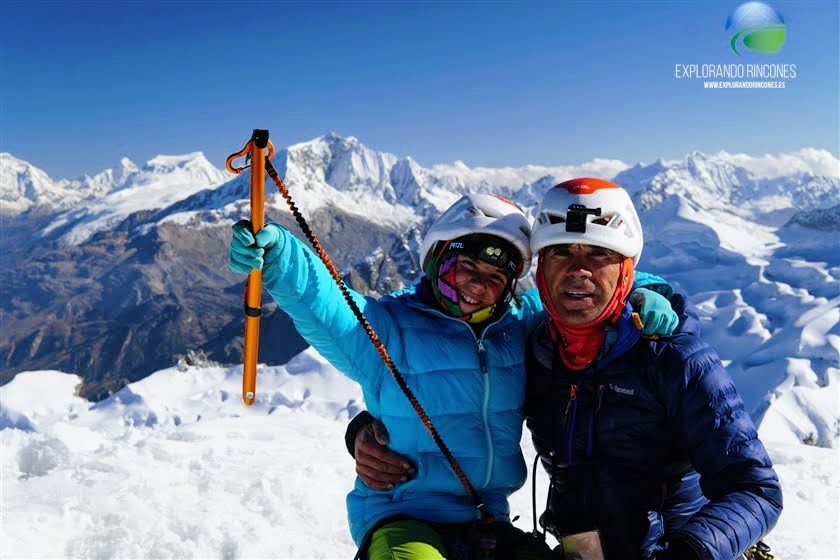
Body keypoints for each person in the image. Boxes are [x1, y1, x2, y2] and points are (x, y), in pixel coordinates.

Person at [349, 178, 783, 560]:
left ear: (626, 270)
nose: (578, 270)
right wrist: (369, 429)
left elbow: (755, 489)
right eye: (560, 253)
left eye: (598, 254)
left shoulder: (673, 359)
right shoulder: (536, 348)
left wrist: (688, 553)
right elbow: (459, 388)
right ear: (540, 271)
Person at [229, 192, 676, 560]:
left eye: (496, 277)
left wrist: (643, 293)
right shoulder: (387, 329)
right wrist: (281, 256)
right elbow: (326, 305)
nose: (478, 286)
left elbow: (585, 289)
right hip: (404, 516)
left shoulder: (520, 324)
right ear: (438, 259)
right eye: (467, 268)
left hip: (487, 520)